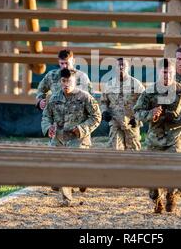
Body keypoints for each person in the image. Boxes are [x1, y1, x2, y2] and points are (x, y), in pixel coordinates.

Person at [134, 58, 181, 213]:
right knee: (152, 174)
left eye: (170, 72)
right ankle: (156, 199)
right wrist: (150, 114)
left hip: (175, 137)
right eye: (164, 72)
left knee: (174, 170)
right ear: (158, 73)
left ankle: (171, 196)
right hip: (154, 139)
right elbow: (137, 112)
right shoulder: (149, 92)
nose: (167, 76)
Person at [41, 68, 101, 207]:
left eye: (69, 81)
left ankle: (82, 179)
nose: (66, 84)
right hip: (60, 138)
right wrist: (48, 127)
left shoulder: (85, 97)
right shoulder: (53, 98)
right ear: (60, 81)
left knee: (75, 168)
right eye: (63, 81)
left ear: (74, 81)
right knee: (58, 169)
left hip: (78, 139)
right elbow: (46, 116)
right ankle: (66, 197)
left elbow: (96, 117)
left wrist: (81, 129)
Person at [100, 58, 145, 151]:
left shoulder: (136, 84)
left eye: (123, 65)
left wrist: (138, 118)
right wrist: (104, 112)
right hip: (115, 121)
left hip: (132, 122)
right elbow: (104, 102)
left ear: (128, 68)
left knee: (133, 150)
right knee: (115, 149)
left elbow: (144, 102)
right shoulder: (109, 85)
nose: (121, 67)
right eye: (118, 65)